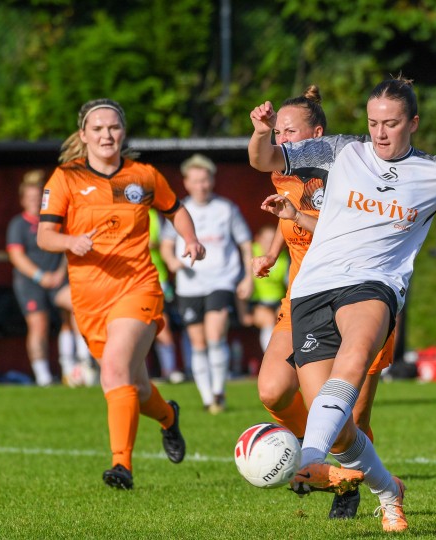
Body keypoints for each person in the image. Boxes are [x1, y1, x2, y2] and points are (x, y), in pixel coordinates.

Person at [249, 77, 436, 533]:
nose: (380, 133)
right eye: (373, 123)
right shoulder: (342, 151)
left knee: (354, 359)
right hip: (313, 287)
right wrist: (262, 131)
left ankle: (309, 459)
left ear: (413, 123)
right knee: (340, 428)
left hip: (374, 286)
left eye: (392, 123)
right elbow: (264, 159)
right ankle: (388, 490)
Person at [37, 98, 204, 490]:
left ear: (123, 132)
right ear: (84, 135)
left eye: (113, 127)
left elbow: (175, 209)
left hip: (137, 286)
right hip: (89, 300)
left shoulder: (143, 176)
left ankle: (121, 466)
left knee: (112, 371)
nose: (106, 135)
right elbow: (44, 235)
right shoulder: (65, 178)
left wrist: (191, 239)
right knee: (135, 386)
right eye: (97, 128)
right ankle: (168, 417)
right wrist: (70, 241)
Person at [250, 85, 398, 520]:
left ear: (317, 134)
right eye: (278, 133)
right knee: (273, 390)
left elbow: (342, 232)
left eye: (289, 132)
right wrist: (273, 253)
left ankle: (356, 485)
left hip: (359, 297)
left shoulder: (349, 171)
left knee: (353, 417)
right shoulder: (284, 171)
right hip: (303, 297)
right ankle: (316, 455)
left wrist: (297, 217)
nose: (282, 141)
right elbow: (289, 219)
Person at [160, 153, 253, 414]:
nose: (201, 186)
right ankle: (206, 397)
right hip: (189, 284)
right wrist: (172, 262)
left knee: (215, 334)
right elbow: (166, 245)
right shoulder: (178, 210)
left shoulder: (226, 209)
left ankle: (218, 393)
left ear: (212, 180)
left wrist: (248, 277)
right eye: (196, 181)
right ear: (186, 182)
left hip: (221, 280)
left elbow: (245, 244)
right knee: (198, 342)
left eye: (205, 180)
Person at [6, 170, 91, 386]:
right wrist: (40, 276)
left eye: (38, 197)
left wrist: (60, 273)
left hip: (57, 279)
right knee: (39, 325)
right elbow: (16, 256)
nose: (35, 202)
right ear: (23, 200)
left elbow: (68, 247)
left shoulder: (55, 221)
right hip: (30, 283)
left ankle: (80, 363)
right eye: (30, 198)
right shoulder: (18, 224)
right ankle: (42, 376)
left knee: (78, 307)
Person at [147, 207, 183, 383]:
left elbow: (164, 244)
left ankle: (170, 369)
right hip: (128, 281)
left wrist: (150, 244)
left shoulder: (154, 216)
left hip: (157, 279)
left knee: (162, 324)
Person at [250, 224, 288, 352]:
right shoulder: (251, 255)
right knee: (268, 319)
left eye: (272, 240)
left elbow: (289, 283)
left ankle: (284, 355)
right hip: (257, 302)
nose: (268, 243)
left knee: (284, 317)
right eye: (265, 240)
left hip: (278, 301)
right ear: (257, 239)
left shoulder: (283, 257)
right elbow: (242, 285)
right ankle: (270, 354)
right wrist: (243, 311)